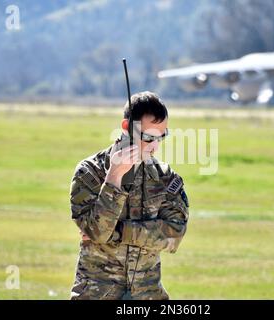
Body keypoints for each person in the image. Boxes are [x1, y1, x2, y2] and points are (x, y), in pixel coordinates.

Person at [69, 91, 189, 300]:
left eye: (161, 137)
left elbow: (174, 235)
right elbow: (97, 233)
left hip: (147, 295)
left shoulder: (165, 178)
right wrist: (114, 177)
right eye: (148, 138)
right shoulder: (90, 172)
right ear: (126, 127)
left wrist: (119, 232)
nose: (154, 147)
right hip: (96, 294)